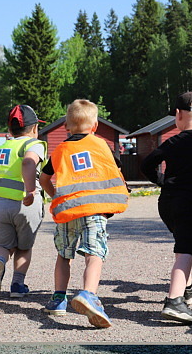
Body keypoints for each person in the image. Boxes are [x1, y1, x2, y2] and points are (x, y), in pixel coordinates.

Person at [39, 99, 129, 328]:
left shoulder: (60, 150)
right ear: (96, 125)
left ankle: (59, 299)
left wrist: (55, 196)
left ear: (66, 126)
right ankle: (89, 294)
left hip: (68, 210)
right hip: (95, 210)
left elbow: (44, 178)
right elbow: (116, 171)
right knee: (94, 253)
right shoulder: (101, 146)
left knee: (64, 254)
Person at [141, 91, 192, 325]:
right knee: (186, 250)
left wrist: (162, 181)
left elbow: (146, 165)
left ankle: (187, 285)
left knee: (181, 244)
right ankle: (174, 301)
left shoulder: (172, 142)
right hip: (191, 202)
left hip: (167, 203)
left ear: (177, 115)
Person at [0, 105, 47, 299]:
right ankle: (18, 285)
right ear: (35, 128)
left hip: (0, 204)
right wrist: (30, 190)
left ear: (9, 130)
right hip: (25, 203)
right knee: (23, 247)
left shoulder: (1, 148)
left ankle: (0, 262)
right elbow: (28, 162)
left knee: (1, 245)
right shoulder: (32, 145)